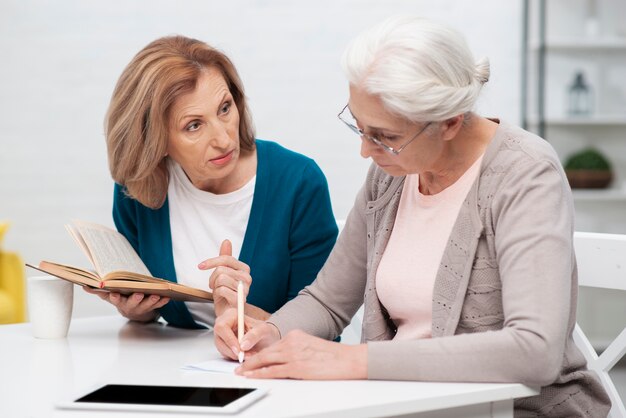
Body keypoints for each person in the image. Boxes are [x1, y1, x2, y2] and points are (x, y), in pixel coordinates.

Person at [214, 16, 611, 416]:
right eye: (360, 127)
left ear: (451, 122)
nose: (366, 152)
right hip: (407, 406)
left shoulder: (525, 174)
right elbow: (327, 301)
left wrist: (355, 361)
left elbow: (535, 349)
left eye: (385, 137)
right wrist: (270, 334)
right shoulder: (390, 176)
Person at [85, 35, 338, 329]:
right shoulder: (139, 188)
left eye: (225, 108)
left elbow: (321, 333)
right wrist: (137, 310)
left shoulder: (299, 183)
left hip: (264, 371)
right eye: (194, 125)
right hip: (173, 370)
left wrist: (239, 313)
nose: (223, 139)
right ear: (155, 140)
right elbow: (154, 314)